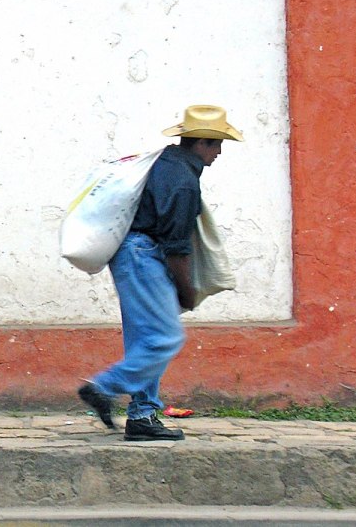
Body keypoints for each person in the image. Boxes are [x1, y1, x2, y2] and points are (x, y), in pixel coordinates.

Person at [77, 105, 242, 441]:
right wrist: (187, 291)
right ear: (201, 143)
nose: (220, 152)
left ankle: (142, 416)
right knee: (165, 337)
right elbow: (176, 247)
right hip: (144, 255)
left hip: (129, 253)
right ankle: (104, 387)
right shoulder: (183, 182)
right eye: (216, 144)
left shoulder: (164, 161)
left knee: (145, 339)